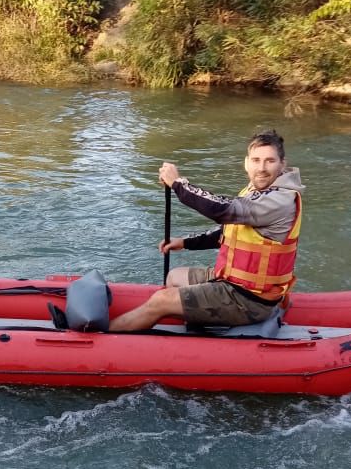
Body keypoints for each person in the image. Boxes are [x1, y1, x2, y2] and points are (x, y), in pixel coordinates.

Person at [109, 130, 305, 332]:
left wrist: (178, 184)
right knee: (174, 277)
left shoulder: (279, 200)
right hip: (234, 282)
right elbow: (228, 231)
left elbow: (222, 209)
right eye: (256, 160)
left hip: (251, 299)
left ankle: (105, 335)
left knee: (161, 299)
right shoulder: (258, 190)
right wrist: (185, 242)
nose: (261, 168)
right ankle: (199, 325)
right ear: (247, 163)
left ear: (282, 164)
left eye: (270, 161)